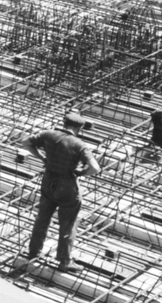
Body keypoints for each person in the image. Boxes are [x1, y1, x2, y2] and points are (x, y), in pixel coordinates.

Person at [20, 112, 101, 270]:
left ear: (64, 123)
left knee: (42, 218)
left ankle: (33, 252)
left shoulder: (48, 134)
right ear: (80, 128)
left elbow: (26, 142)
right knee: (68, 225)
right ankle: (64, 261)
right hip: (67, 187)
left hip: (48, 182)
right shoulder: (79, 145)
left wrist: (43, 158)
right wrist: (80, 173)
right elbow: (95, 168)